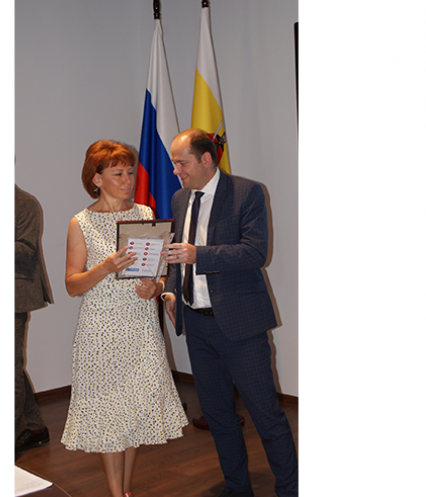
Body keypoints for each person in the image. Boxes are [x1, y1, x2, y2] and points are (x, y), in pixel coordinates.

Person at [160, 129, 298, 497]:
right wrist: (172, 291)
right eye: (174, 163)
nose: (175, 171)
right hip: (197, 326)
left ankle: (291, 489)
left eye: (181, 163)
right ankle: (238, 488)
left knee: (266, 415)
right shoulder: (179, 199)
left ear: (206, 159)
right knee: (218, 416)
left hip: (241, 327)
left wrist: (199, 255)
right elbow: (176, 256)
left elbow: (255, 252)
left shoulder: (246, 192)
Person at [61, 140, 188, 497]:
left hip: (141, 328)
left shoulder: (146, 214)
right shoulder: (81, 223)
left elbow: (160, 272)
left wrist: (156, 287)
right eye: (118, 173)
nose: (128, 180)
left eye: (130, 172)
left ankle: (126, 491)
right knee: (109, 417)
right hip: (101, 332)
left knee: (135, 413)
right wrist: (104, 267)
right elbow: (71, 285)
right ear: (96, 179)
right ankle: (117, 494)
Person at [15, 184, 53, 459]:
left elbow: (27, 250)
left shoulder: (25, 202)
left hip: (14, 296)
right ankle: (37, 428)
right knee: (12, 368)